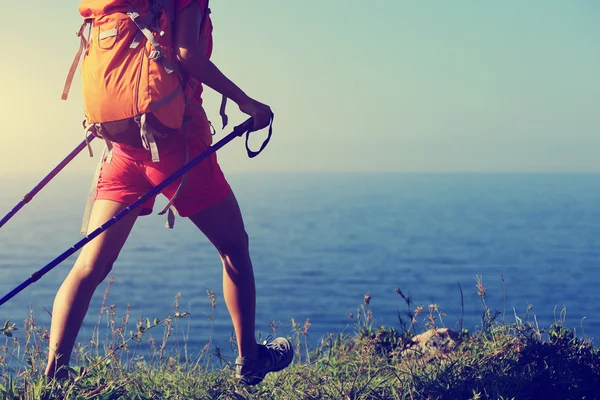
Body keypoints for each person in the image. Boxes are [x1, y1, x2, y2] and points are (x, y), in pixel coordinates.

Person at [44, 0, 293, 386]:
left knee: (89, 266)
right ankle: (250, 359)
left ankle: (54, 377)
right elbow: (186, 54)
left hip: (123, 148)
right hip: (176, 144)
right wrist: (245, 101)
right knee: (234, 246)